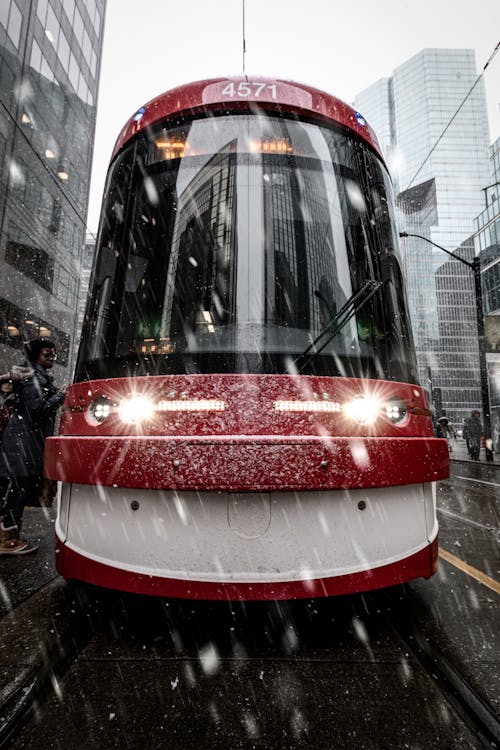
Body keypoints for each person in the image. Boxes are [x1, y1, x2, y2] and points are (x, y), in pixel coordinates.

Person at [0, 340, 66, 555]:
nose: (52, 358)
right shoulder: (33, 377)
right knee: (18, 488)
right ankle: (7, 539)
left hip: (26, 441)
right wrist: (61, 396)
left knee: (20, 488)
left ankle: (9, 535)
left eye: (53, 353)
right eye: (47, 354)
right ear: (35, 356)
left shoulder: (36, 375)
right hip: (22, 442)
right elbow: (37, 409)